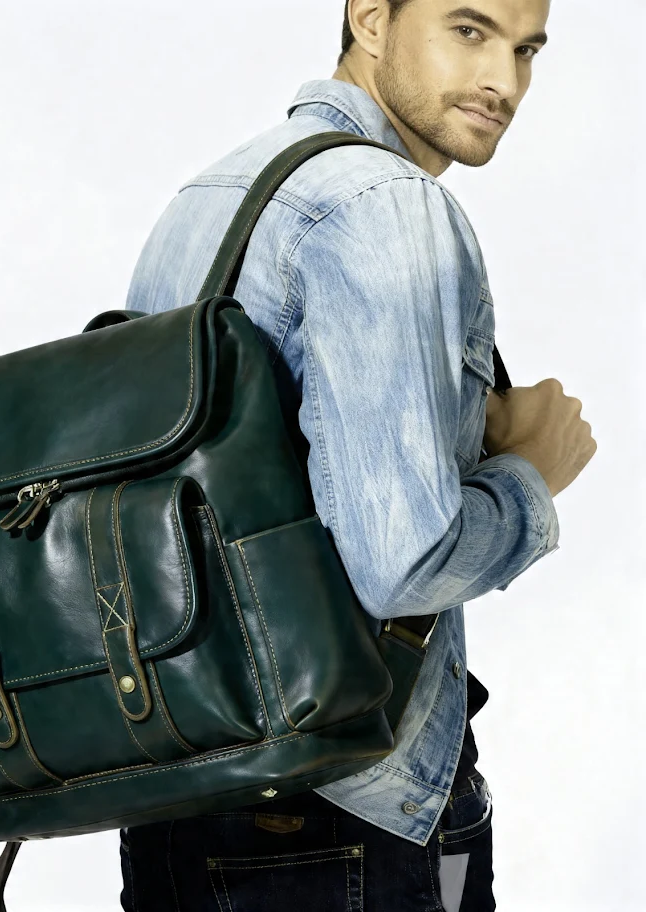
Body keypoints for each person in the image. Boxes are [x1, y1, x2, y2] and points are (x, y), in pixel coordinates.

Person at [119, 1, 596, 909]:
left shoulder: (210, 195)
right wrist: (533, 475)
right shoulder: (385, 204)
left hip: (176, 790)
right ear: (371, 19)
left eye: (526, 49)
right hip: (341, 814)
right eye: (469, 30)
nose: (503, 81)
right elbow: (404, 565)